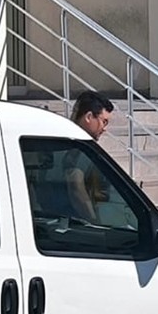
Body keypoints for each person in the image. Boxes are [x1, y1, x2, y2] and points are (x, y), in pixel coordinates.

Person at [65, 92, 115, 221]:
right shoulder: (79, 148)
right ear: (89, 117)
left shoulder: (67, 141)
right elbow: (76, 188)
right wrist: (93, 221)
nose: (104, 129)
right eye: (104, 121)